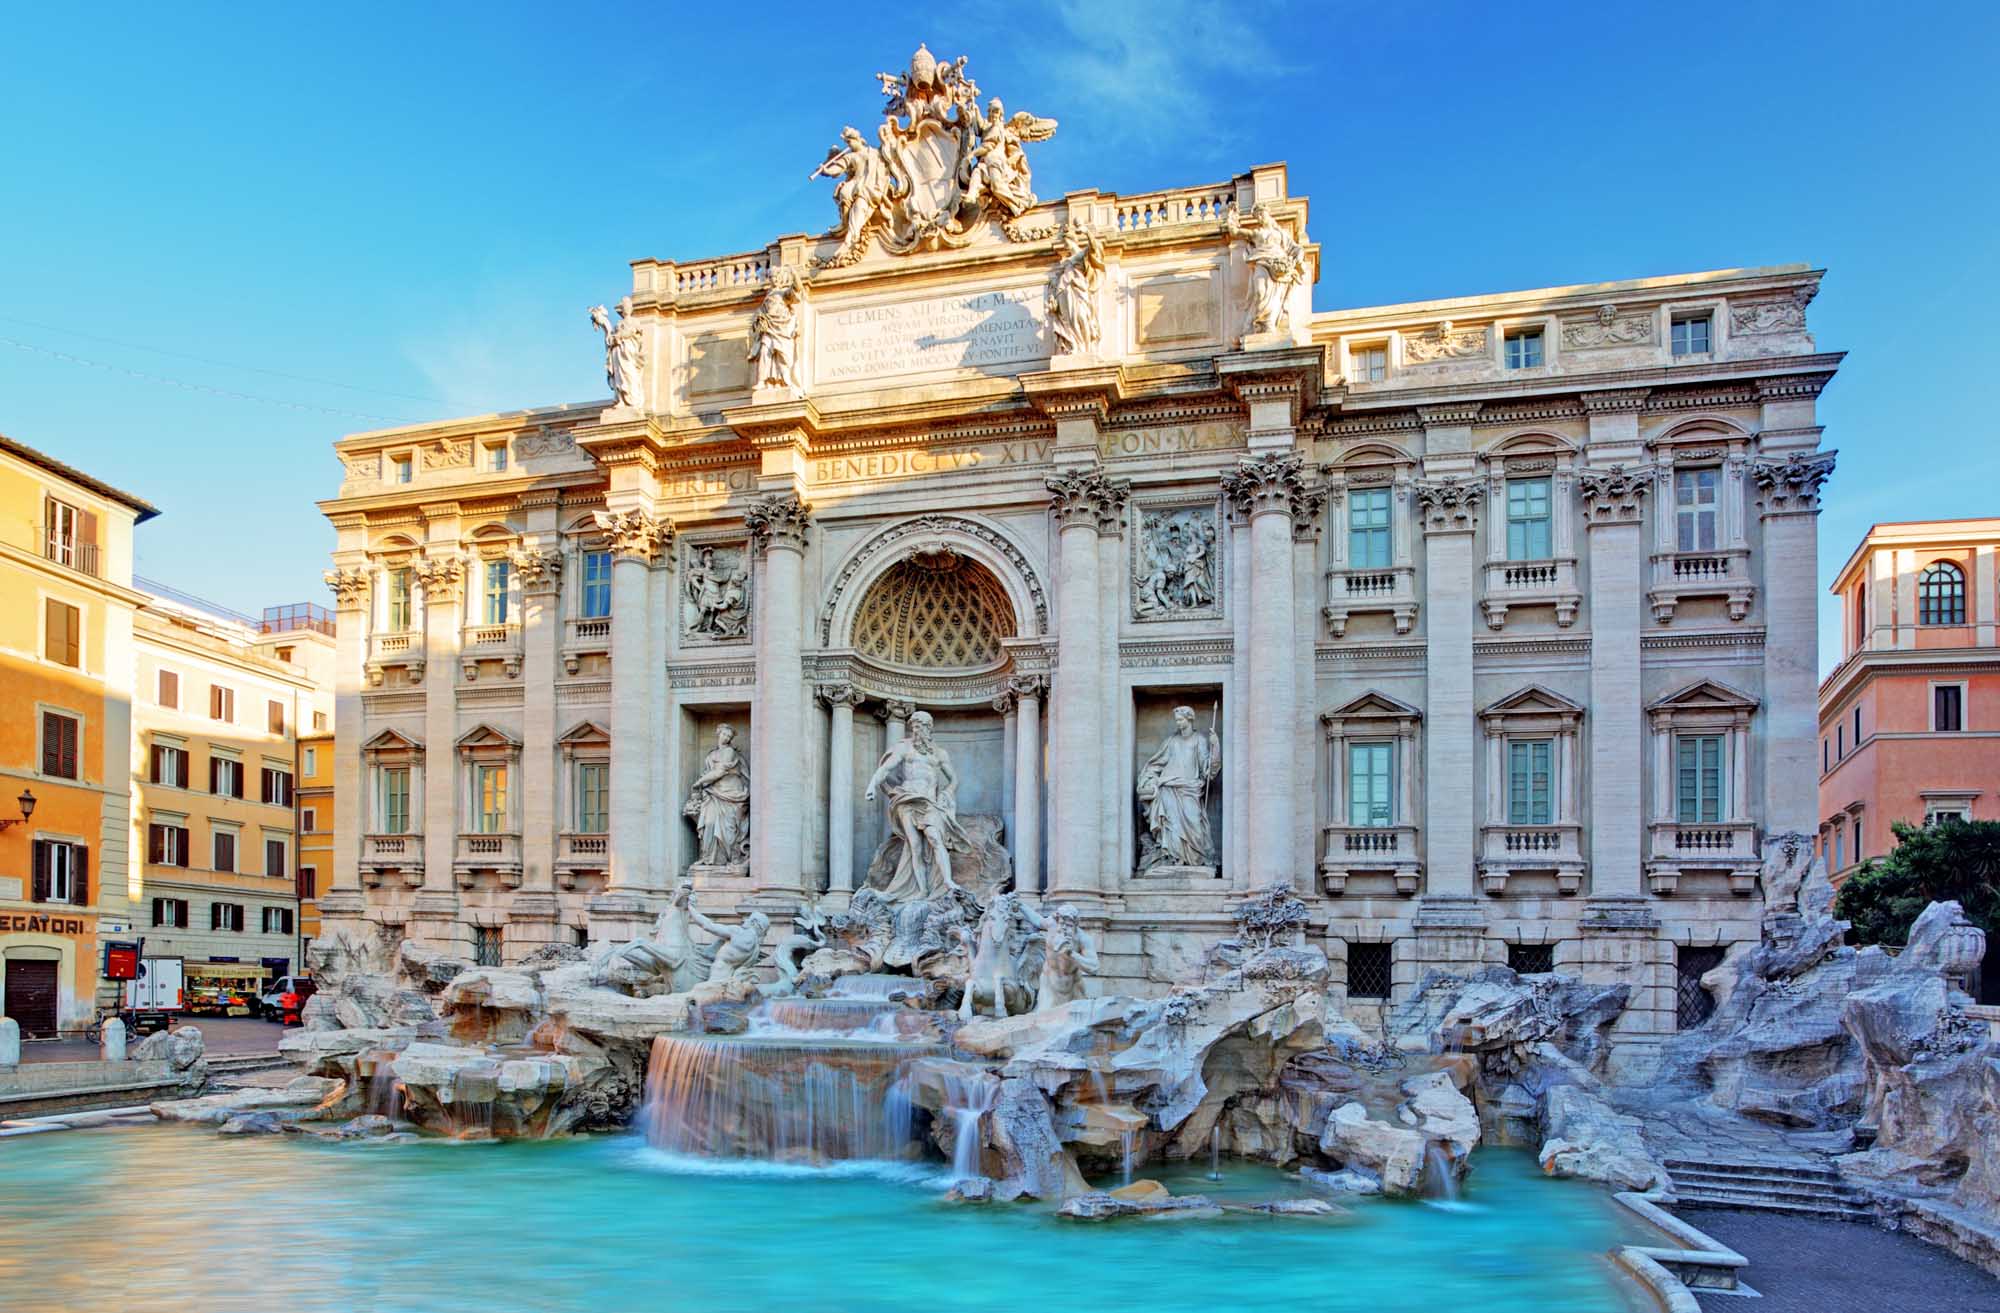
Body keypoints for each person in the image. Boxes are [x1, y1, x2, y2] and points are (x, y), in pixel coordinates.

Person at [863, 710, 966, 900]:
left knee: (935, 838)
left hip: (929, 802)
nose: (917, 730)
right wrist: (872, 785)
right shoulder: (905, 748)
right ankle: (922, 890)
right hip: (907, 799)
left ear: (929, 728)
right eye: (915, 726)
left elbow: (954, 779)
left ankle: (948, 882)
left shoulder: (939, 753)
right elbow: (885, 768)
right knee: (915, 846)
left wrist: (948, 792)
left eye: (921, 726)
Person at [1137, 706, 1221, 868]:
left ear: (1189, 719)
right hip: (1168, 787)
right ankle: (1175, 859)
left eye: (1180, 719)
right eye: (1176, 720)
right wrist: (1150, 779)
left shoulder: (1200, 740)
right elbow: (1156, 764)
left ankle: (1194, 860)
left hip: (1190, 788)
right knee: (1172, 826)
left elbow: (1208, 769)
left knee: (1194, 823)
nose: (1178, 723)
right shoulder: (1171, 742)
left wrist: (1215, 746)